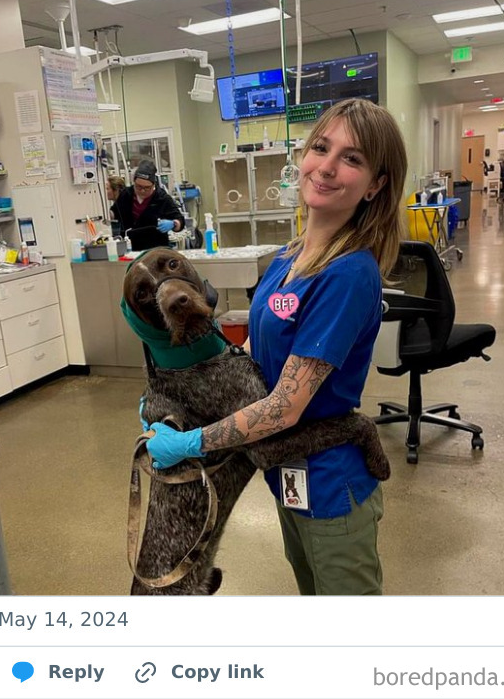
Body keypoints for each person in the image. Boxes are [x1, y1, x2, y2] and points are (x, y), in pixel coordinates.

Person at [145, 98, 408, 595]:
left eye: (352, 159)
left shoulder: (348, 273)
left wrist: (190, 444)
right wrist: (171, 393)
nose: (327, 167)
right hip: (286, 478)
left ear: (375, 184)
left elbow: (284, 408)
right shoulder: (289, 256)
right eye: (321, 148)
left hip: (330, 484)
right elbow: (254, 365)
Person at [111, 160, 185, 249]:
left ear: (153, 185)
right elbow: (114, 212)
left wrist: (174, 223)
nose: (142, 191)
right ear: (134, 182)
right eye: (138, 187)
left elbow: (180, 221)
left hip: (155, 248)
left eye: (147, 188)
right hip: (129, 246)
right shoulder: (126, 194)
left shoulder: (162, 198)